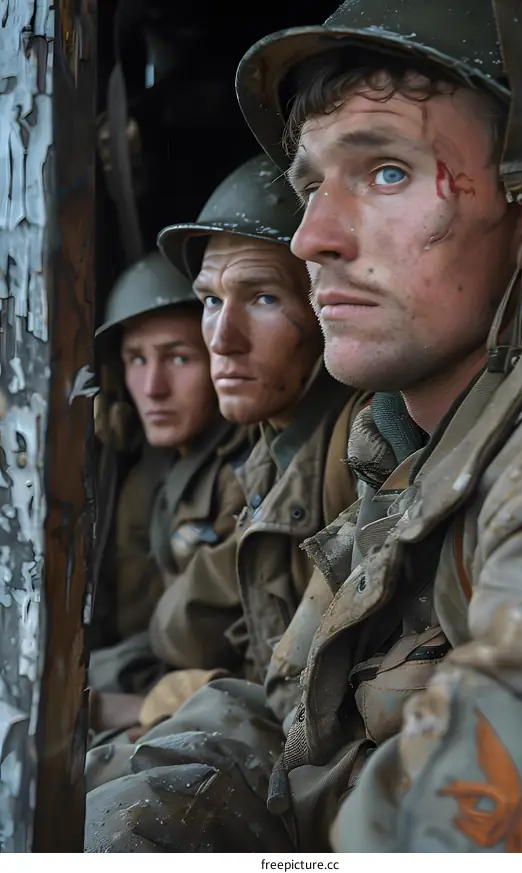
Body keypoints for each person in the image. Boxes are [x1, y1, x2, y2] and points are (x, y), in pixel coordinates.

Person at [86, 0, 522, 852]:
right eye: (310, 187)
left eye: (388, 172)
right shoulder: (399, 446)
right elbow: (284, 719)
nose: (315, 237)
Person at [85, 154, 367, 790]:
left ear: (332, 299)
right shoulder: (277, 450)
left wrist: (154, 706)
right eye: (210, 302)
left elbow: (317, 714)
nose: (223, 337)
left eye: (263, 297)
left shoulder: (360, 444)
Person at [89, 251, 252, 735]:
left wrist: (135, 707)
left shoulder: (247, 473)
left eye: (178, 358)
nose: (153, 387)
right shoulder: (151, 478)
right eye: (136, 360)